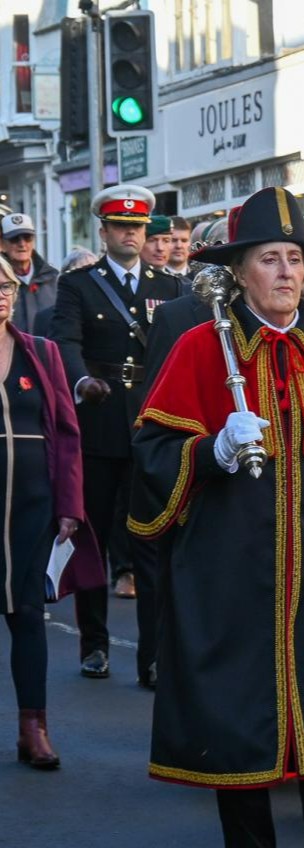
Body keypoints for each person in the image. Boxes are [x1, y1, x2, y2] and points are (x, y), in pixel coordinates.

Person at [128, 186, 304, 848]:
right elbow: (151, 461)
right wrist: (209, 451)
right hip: (228, 586)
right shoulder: (198, 350)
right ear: (240, 271)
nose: (286, 273)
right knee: (240, 754)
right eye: (270, 259)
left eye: (296, 260)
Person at [49, 184, 184, 682]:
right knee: (94, 537)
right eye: (120, 226)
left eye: (137, 226)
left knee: (150, 541)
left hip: (150, 423)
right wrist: (81, 380)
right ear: (103, 232)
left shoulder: (171, 287)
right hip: (100, 419)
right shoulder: (80, 285)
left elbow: (179, 354)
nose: (130, 234)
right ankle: (95, 644)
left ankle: (152, 655)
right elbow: (65, 341)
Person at [0, 255, 101, 770]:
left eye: (6, 285)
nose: (0, 293)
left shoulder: (38, 351)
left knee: (27, 618)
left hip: (33, 507)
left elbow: (66, 432)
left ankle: (33, 728)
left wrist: (69, 505)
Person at [0, 212, 59, 334]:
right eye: (14, 239)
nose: (22, 244)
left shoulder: (54, 279)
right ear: (2, 244)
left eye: (27, 237)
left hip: (47, 351)